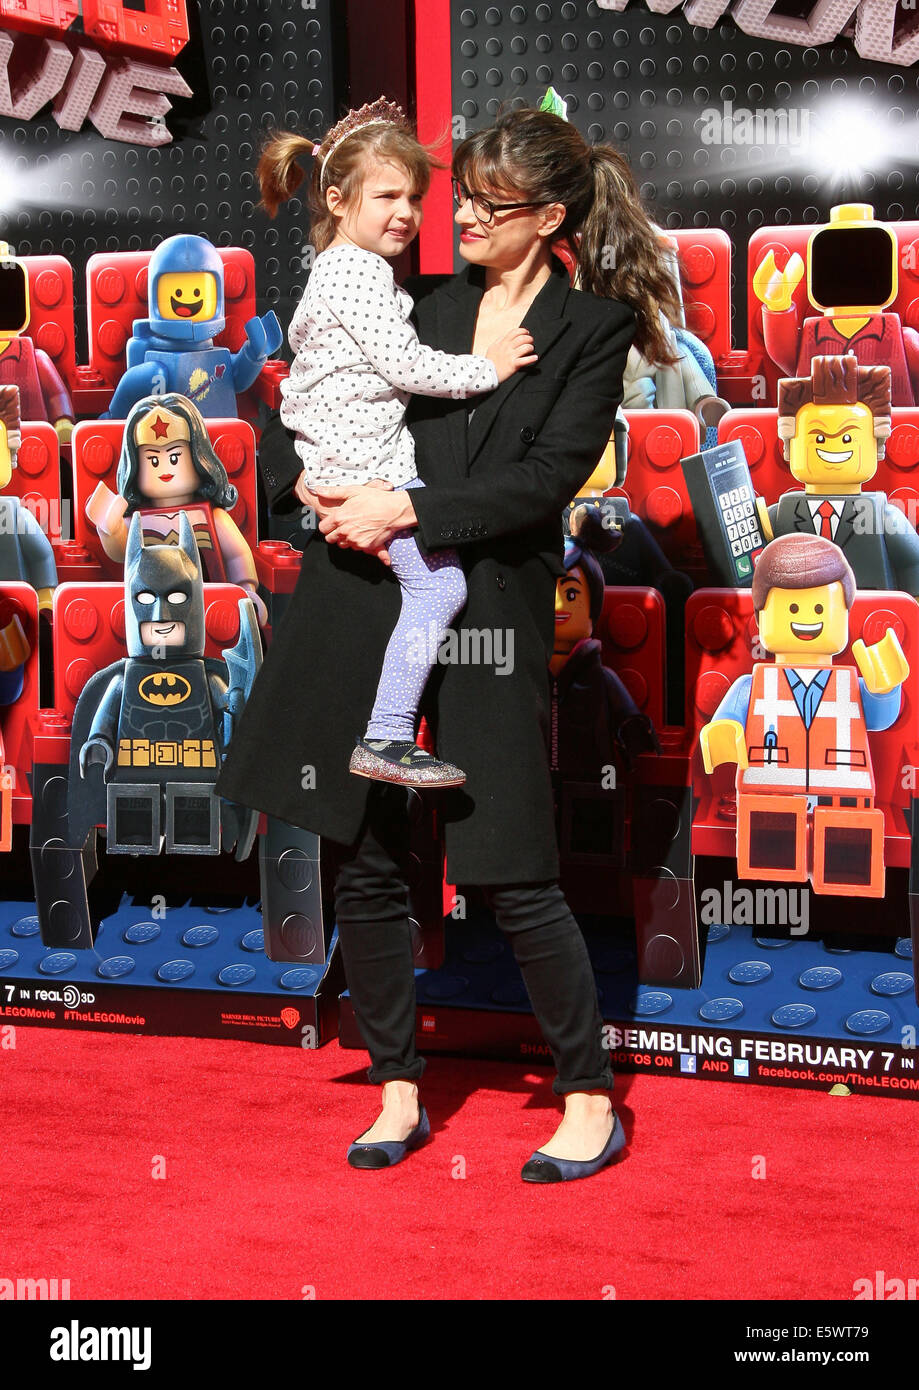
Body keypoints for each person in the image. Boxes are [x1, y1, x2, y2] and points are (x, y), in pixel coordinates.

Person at [217, 99, 676, 1182]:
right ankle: (396, 1086)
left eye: (484, 201)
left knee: (509, 859)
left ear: (548, 216)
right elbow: (323, 397)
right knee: (366, 855)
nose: (456, 213)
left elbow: (542, 479)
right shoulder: (408, 292)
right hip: (359, 585)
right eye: (455, 193)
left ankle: (583, 1095)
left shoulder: (590, 326)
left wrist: (408, 510)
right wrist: (323, 498)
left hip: (485, 606)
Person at [256, 97, 538, 785]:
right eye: (386, 194)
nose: (405, 212)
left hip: (355, 467)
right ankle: (384, 736)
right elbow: (407, 366)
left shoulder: (347, 268)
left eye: (413, 196)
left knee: (433, 589)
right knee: (439, 590)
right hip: (361, 473)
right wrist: (489, 366)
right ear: (335, 196)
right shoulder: (353, 272)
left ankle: (385, 735)